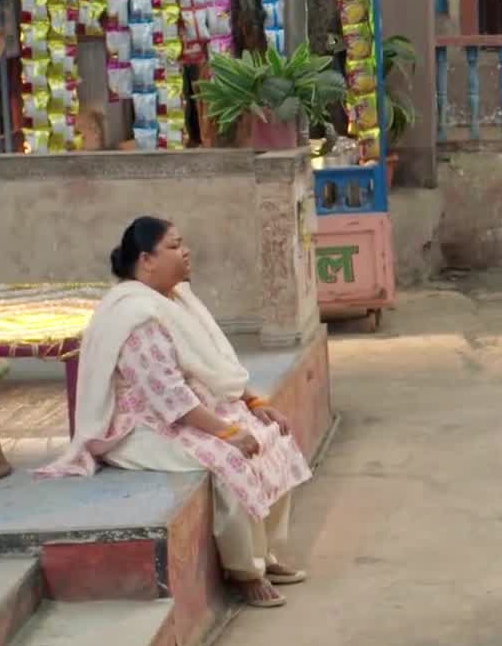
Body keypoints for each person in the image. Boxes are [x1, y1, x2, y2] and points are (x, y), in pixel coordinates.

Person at [37, 217, 312, 609]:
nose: (185, 253)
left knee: (271, 435)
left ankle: (264, 554)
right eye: (174, 246)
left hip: (189, 409)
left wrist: (254, 403)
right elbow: (169, 399)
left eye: (183, 244)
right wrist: (227, 433)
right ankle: (245, 573)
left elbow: (213, 363)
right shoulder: (136, 316)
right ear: (146, 260)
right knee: (230, 459)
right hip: (141, 427)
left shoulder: (177, 299)